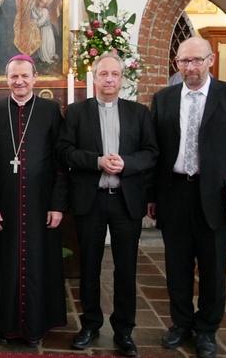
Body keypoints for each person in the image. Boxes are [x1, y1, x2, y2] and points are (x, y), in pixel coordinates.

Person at [149, 37, 226, 358]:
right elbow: (155, 153)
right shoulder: (164, 98)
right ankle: (181, 323)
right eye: (184, 62)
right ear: (177, 65)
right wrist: (151, 196)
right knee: (177, 266)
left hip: (215, 196)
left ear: (211, 60)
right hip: (174, 193)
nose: (191, 67)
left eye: (197, 60)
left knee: (213, 269)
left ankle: (207, 329)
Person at [58, 53, 158, 356]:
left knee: (125, 268)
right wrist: (96, 161)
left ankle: (124, 330)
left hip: (126, 202)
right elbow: (64, 151)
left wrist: (126, 163)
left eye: (115, 74)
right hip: (91, 199)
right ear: (95, 77)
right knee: (88, 266)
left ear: (122, 78)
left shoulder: (138, 113)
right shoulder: (76, 112)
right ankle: (89, 324)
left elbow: (152, 153)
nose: (110, 79)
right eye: (104, 74)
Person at [0, 54, 68, 347]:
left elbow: (60, 162)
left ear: (35, 78)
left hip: (39, 205)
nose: (19, 81)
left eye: (24, 76)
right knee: (4, 263)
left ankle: (35, 326)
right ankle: (6, 326)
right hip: (3, 206)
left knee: (37, 262)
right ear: (6, 79)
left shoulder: (49, 110)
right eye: (13, 77)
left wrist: (57, 204)